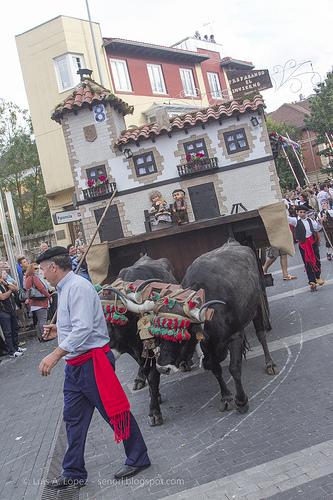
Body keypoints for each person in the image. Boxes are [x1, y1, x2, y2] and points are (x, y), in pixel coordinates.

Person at [37, 247, 150, 490]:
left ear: (54, 267)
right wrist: (58, 331)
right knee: (73, 420)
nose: (43, 274)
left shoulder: (77, 286)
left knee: (114, 412)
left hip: (92, 362)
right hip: (76, 365)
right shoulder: (65, 288)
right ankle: (73, 471)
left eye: (43, 269)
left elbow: (83, 329)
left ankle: (139, 457)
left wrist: (55, 354)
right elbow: (76, 326)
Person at [288, 205, 324, 291]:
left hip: (313, 242)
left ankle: (318, 277)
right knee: (308, 262)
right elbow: (287, 218)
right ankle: (311, 281)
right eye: (300, 212)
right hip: (304, 245)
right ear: (297, 213)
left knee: (317, 260)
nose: (303, 214)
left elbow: (317, 228)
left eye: (304, 212)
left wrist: (320, 222)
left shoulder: (310, 220)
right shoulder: (295, 221)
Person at [25, 263, 52, 341]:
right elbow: (41, 288)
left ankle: (40, 337)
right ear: (32, 270)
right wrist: (49, 296)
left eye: (38, 268)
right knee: (42, 320)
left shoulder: (27, 278)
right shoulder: (34, 277)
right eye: (35, 269)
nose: (37, 270)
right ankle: (45, 336)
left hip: (33, 302)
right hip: (40, 301)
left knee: (38, 321)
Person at [0, 275, 26, 357]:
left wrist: (6, 284)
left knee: (15, 329)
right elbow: (2, 297)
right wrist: (10, 291)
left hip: (11, 309)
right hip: (3, 311)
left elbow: (15, 288)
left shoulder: (4, 283)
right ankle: (11, 351)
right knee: (8, 332)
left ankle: (16, 347)